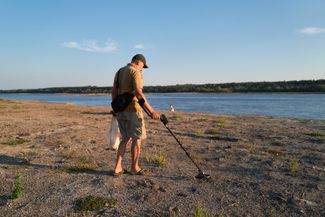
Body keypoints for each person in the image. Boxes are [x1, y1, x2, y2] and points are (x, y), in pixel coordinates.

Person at [111, 54, 160, 176]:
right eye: (143, 66)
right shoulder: (135, 72)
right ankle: (134, 168)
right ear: (139, 62)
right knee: (137, 139)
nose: (142, 69)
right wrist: (152, 111)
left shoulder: (119, 71)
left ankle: (117, 168)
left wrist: (115, 108)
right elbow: (138, 93)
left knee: (125, 139)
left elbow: (114, 91)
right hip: (133, 110)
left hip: (121, 111)